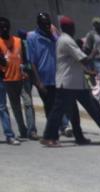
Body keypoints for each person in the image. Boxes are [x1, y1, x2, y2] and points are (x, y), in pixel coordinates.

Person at [40, 16, 100, 147]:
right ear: (68, 28)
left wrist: (88, 72)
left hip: (76, 83)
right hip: (67, 84)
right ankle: (49, 137)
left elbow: (75, 62)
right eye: (72, 27)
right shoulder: (66, 40)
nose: (74, 29)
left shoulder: (66, 40)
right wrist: (93, 53)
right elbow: (83, 59)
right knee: (58, 112)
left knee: (93, 108)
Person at [27, 11, 83, 140]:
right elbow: (32, 62)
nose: (47, 26)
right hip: (44, 80)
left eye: (48, 23)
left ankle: (65, 127)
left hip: (59, 77)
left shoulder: (55, 36)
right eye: (44, 24)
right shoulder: (32, 38)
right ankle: (53, 133)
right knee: (50, 108)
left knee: (68, 105)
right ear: (38, 24)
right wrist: (38, 82)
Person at [0, 17, 33, 141]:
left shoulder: (18, 41)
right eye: (1, 27)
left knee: (28, 104)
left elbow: (25, 58)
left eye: (6, 26)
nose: (4, 29)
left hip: (22, 78)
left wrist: (26, 70)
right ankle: (22, 130)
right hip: (7, 80)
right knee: (15, 107)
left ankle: (31, 131)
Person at [15, 29, 37, 139]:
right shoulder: (19, 43)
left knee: (27, 103)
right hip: (15, 77)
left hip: (25, 76)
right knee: (22, 104)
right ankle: (26, 130)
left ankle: (30, 130)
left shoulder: (27, 43)